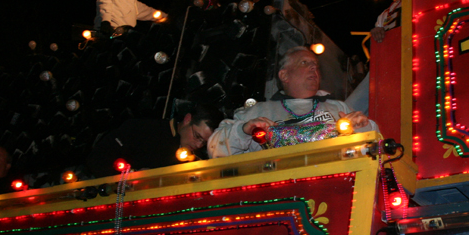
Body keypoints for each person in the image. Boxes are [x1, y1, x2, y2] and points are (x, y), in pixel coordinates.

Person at [207, 46, 379, 157]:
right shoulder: (256, 112)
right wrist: (244, 130)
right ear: (284, 75)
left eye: (315, 65)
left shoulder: (338, 108)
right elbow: (215, 149)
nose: (314, 68)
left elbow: (375, 147)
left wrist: (364, 127)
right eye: (305, 63)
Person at [85, 103, 220, 177]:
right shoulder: (143, 129)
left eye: (203, 143)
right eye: (197, 136)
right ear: (187, 119)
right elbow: (97, 159)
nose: (198, 145)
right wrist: (130, 175)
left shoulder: (197, 158)